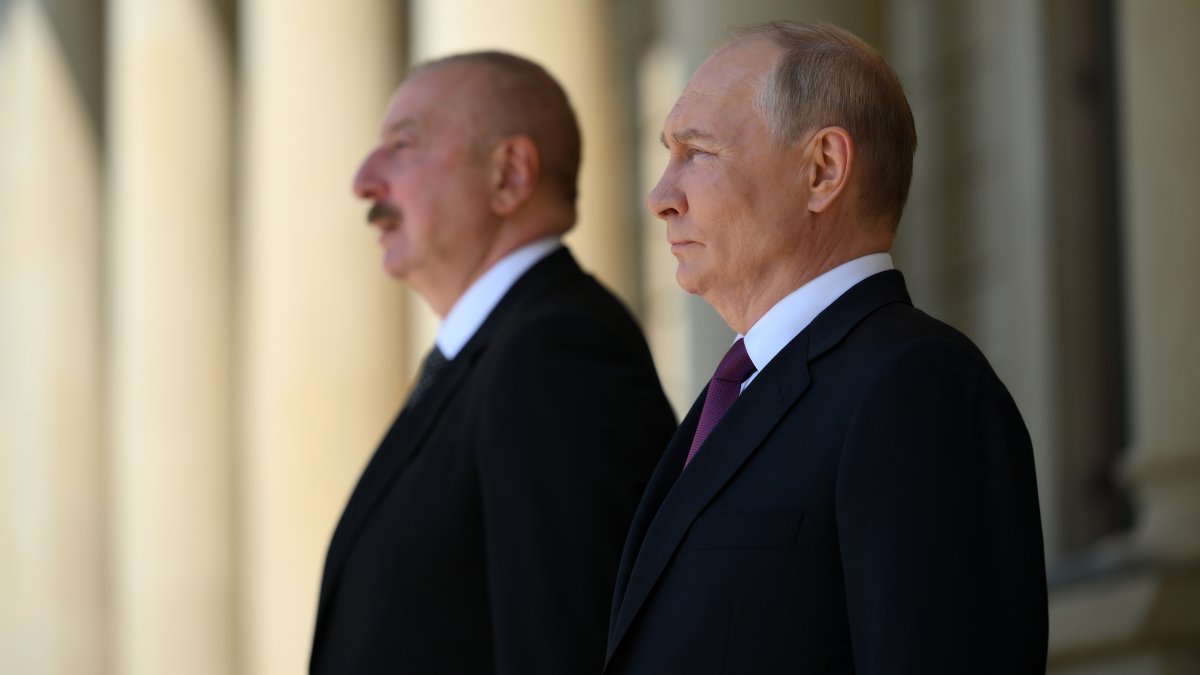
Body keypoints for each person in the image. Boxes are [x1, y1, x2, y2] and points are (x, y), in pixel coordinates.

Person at [605, 20, 1047, 674]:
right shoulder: (734, 396)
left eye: (696, 152)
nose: (661, 197)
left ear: (823, 169)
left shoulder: (916, 384)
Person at [309, 51, 676, 675]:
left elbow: (567, 649)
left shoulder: (556, 354)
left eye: (403, 146)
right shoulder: (494, 355)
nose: (365, 182)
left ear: (510, 175)